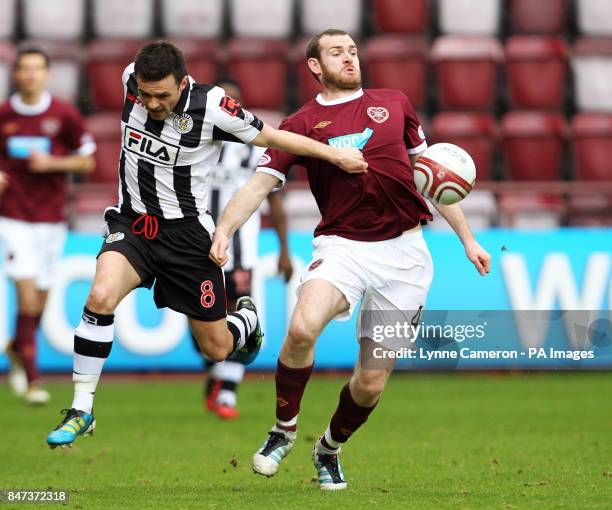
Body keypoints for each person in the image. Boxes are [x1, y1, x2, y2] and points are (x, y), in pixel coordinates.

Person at [45, 40, 366, 449]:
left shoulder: (214, 106)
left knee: (216, 348)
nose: (152, 103)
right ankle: (81, 408)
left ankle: (246, 320)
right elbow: (140, 87)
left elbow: (274, 138)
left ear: (183, 83)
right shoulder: (131, 79)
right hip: (133, 224)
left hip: (187, 237)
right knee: (101, 295)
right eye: (145, 95)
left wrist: (334, 157)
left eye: (162, 95)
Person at [209, 29, 491, 490]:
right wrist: (224, 229)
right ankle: (282, 431)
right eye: (336, 52)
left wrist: (468, 239)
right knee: (302, 327)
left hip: (406, 255)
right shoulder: (300, 124)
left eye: (353, 50)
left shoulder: (395, 103)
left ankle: (329, 449)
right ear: (315, 66)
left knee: (370, 384)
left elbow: (432, 178)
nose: (349, 57)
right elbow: (257, 186)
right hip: (343, 247)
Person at [0, 47, 96, 405]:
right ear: (16, 75)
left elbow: (87, 163)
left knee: (38, 300)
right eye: (24, 69)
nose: (30, 75)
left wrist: (54, 163)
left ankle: (15, 347)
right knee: (25, 295)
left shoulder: (63, 114)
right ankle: (33, 377)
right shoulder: (4, 114)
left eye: (37, 69)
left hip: (51, 219)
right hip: (13, 217)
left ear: (46, 74)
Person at [193, 78, 293, 420]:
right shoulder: (195, 141)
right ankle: (216, 373)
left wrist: (283, 248)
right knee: (203, 326)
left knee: (239, 313)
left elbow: (275, 202)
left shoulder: (255, 148)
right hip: (195, 247)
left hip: (241, 250)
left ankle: (228, 393)